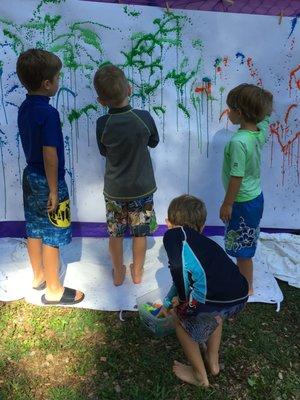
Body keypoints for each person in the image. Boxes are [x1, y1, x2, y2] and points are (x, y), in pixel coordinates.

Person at [16, 49, 84, 305]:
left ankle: (38, 277)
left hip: (30, 177)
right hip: (48, 180)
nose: (58, 82)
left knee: (34, 227)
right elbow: (50, 156)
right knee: (52, 234)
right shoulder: (49, 114)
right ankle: (54, 290)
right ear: (47, 84)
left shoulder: (25, 107)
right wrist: (55, 190)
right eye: (57, 78)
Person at [162, 195, 248, 387]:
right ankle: (212, 360)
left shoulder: (174, 234)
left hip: (213, 300)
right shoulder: (204, 244)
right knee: (216, 315)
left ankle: (200, 376)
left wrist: (182, 301)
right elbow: (184, 274)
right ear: (201, 227)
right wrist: (168, 301)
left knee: (180, 320)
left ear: (169, 223)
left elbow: (177, 269)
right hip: (239, 296)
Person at [93, 65, 159, 286]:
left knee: (116, 234)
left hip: (115, 192)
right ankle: (138, 272)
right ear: (129, 89)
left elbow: (104, 151)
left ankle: (118, 272)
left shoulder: (102, 124)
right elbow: (154, 142)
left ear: (101, 101)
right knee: (140, 233)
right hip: (142, 189)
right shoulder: (143, 118)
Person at [220, 84, 273, 294]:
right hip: (255, 199)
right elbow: (267, 117)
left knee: (243, 250)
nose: (228, 113)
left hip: (241, 202)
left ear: (239, 113)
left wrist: (227, 203)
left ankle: (246, 287)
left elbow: (236, 177)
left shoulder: (238, 142)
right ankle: (244, 276)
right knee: (246, 240)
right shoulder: (259, 131)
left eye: (230, 109)